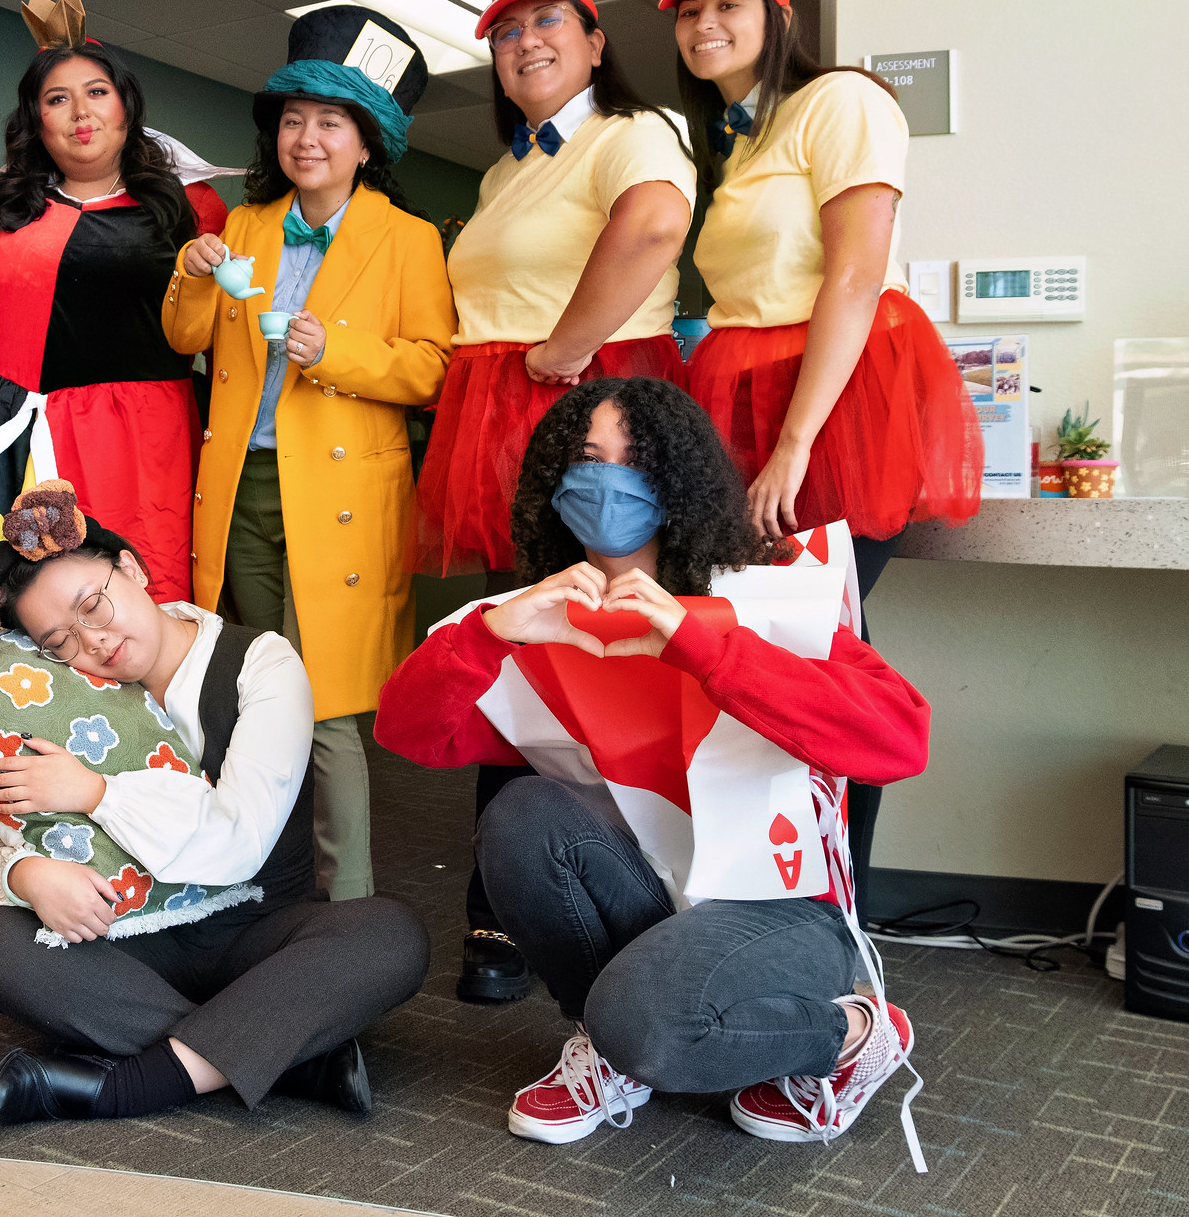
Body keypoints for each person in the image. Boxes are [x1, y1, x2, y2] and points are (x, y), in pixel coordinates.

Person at [377, 377, 928, 1161]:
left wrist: (699, 642)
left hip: (782, 909)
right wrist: (490, 633)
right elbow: (410, 732)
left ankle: (853, 1032)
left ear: (678, 479)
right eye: (587, 458)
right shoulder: (542, 619)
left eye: (633, 461)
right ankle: (615, 1047)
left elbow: (901, 739)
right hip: (652, 889)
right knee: (520, 815)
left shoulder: (762, 596)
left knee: (645, 1023)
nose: (607, 481)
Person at [662, 0, 980, 892]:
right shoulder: (742, 136)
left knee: (823, 648)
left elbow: (853, 274)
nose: (705, 23)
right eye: (688, 8)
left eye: (730, 4)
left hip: (831, 406)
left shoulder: (840, 100)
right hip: (747, 399)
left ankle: (846, 901)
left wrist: (794, 446)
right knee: (784, 646)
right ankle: (788, 884)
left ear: (777, 17)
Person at [0, 482, 428, 1122]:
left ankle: (131, 1084)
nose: (92, 641)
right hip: (132, 942)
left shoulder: (259, 662)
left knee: (386, 934)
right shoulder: (58, 692)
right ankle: (284, 1053)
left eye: (94, 604)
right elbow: (14, 838)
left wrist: (96, 793)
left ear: (132, 569)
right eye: (60, 641)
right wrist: (26, 873)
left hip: (258, 936)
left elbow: (239, 840)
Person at [411, 0, 699, 1005]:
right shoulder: (498, 173)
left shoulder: (633, 131)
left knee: (607, 645)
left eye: (545, 22)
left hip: (585, 408)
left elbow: (655, 230)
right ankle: (504, 908)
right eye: (502, 29)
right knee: (521, 646)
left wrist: (559, 359)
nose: (522, 41)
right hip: (503, 414)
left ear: (591, 39)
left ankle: (625, 896)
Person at [163, 5, 452, 903]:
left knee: (325, 704)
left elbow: (433, 369)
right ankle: (260, 880)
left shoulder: (407, 238)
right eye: (293, 119)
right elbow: (185, 337)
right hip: (241, 483)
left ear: (367, 143)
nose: (307, 136)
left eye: (330, 121)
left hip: (342, 496)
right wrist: (192, 267)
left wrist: (339, 354)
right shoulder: (246, 225)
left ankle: (350, 898)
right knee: (253, 682)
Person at [0, 0, 226, 604]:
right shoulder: (2, 209)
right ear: (36, 121)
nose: (79, 112)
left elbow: (211, 337)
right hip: (9, 428)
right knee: (15, 604)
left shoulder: (188, 209)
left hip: (138, 440)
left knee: (134, 600)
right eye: (56, 99)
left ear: (125, 108)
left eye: (97, 92)